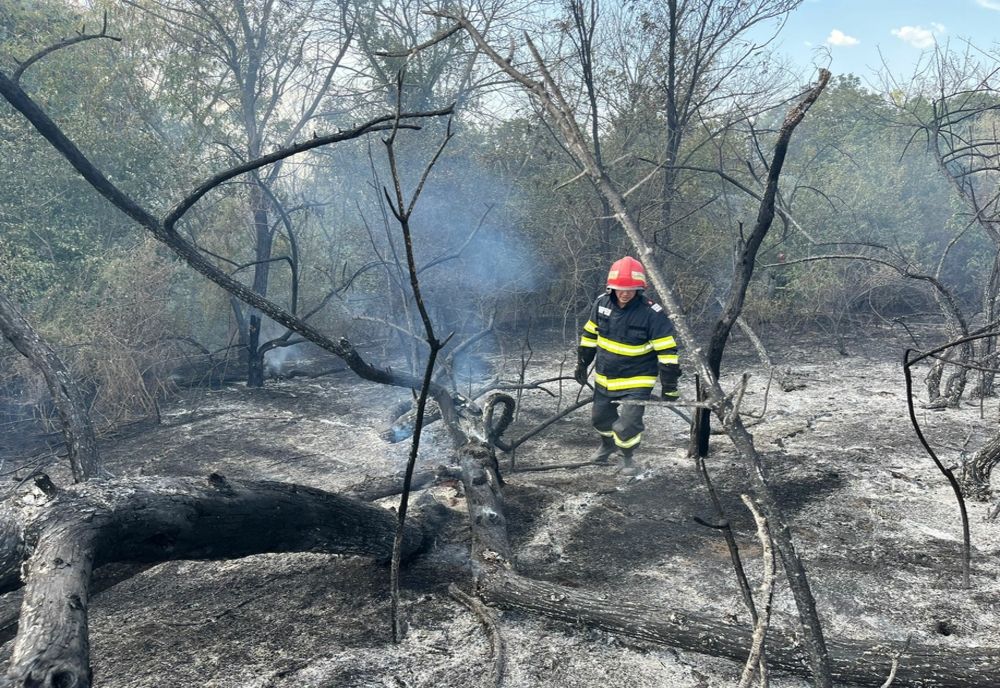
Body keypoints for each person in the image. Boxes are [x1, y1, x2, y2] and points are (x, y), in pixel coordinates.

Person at [574, 256, 681, 475]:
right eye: (620, 289)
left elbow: (668, 353)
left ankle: (627, 458)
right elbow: (589, 336)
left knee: (628, 424)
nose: (625, 293)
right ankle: (607, 444)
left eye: (631, 290)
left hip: (637, 379)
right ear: (610, 288)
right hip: (606, 375)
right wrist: (582, 364)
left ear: (640, 289)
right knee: (600, 419)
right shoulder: (601, 304)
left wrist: (670, 388)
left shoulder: (653, 314)